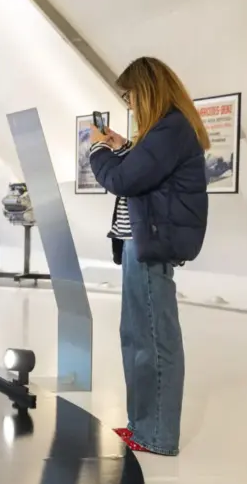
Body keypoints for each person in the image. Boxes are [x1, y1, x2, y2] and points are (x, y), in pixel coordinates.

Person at [88, 56, 209, 456]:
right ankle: (142, 427)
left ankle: (157, 435)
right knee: (137, 337)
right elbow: (142, 171)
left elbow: (124, 179)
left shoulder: (171, 127)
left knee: (155, 341)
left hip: (150, 246)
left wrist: (98, 152)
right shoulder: (163, 130)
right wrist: (122, 146)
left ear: (148, 89)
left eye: (131, 95)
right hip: (137, 245)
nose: (131, 104)